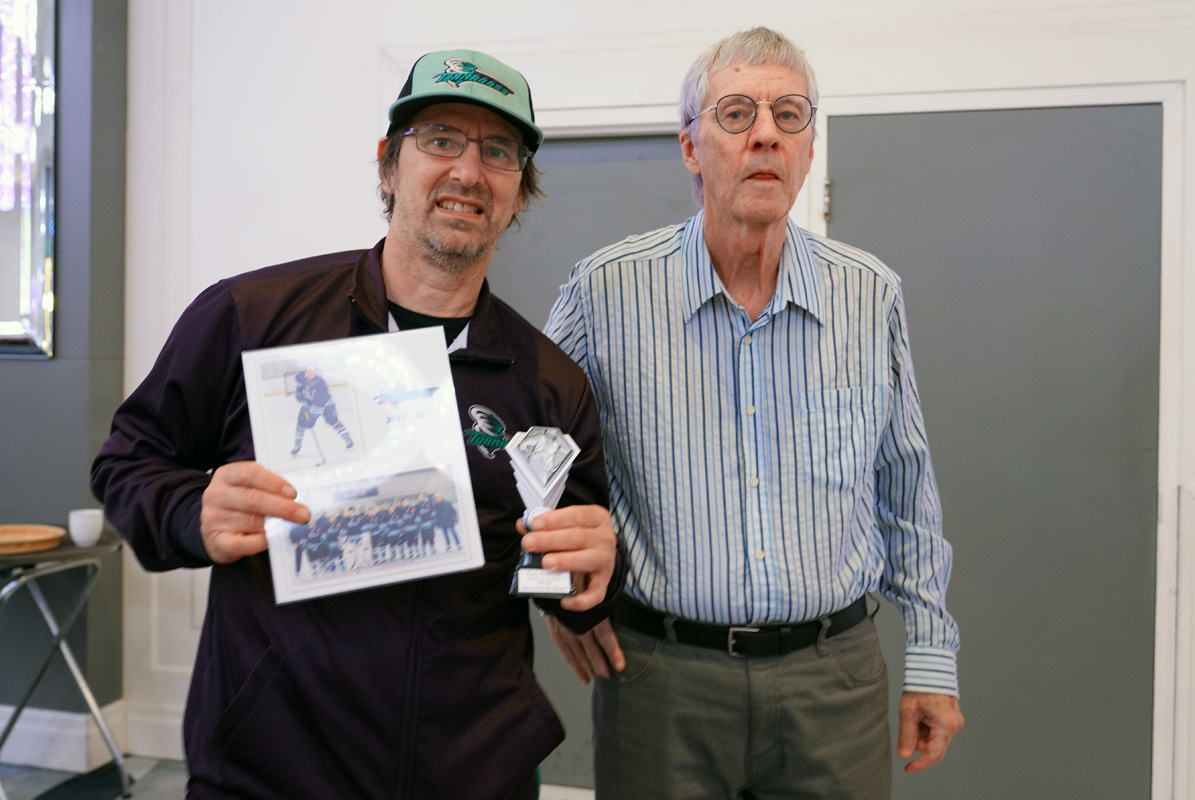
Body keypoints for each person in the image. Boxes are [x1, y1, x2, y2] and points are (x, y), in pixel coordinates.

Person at [91, 48, 624, 800]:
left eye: (498, 151)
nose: (469, 171)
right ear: (388, 165)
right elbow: (127, 463)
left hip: (473, 774)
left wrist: (595, 569)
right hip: (271, 771)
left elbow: (566, 562)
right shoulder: (253, 317)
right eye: (440, 139)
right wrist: (190, 511)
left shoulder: (549, 382)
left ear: (518, 193)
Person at [543, 27, 962, 799]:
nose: (765, 133)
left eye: (788, 115)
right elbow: (534, 453)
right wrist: (557, 592)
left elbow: (904, 485)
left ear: (806, 149)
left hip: (832, 684)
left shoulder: (868, 294)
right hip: (661, 683)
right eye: (736, 113)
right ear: (690, 148)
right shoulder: (605, 291)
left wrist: (932, 659)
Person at [289, 364, 353, 455]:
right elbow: (298, 380)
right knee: (301, 422)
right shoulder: (302, 376)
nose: (309, 374)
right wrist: (299, 391)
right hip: (308, 404)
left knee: (333, 421)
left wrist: (312, 419)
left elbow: (319, 405)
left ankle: (347, 438)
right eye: (308, 372)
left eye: (312, 372)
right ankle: (297, 444)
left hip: (326, 405)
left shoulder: (321, 385)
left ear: (316, 372)